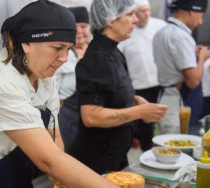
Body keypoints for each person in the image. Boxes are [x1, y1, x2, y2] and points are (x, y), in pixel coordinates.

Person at [0, 1, 167, 188]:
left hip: (10, 179)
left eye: (68, 48)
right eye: (57, 47)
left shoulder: (43, 74)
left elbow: (53, 135)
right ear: (26, 43)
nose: (64, 58)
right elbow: (48, 160)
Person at [68, 0, 168, 175]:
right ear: (111, 20)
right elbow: (91, 116)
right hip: (97, 161)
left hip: (116, 154)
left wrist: (135, 99)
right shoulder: (97, 59)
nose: (136, 20)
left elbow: (112, 92)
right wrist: (139, 111)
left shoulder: (114, 51)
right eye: (130, 14)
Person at [153, 0, 210, 134]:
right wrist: (202, 56)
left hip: (166, 96)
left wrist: (192, 53)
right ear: (192, 12)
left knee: (168, 144)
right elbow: (193, 82)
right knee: (177, 148)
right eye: (201, 16)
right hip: (178, 101)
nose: (201, 22)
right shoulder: (181, 37)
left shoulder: (162, 32)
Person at [118, 0, 166, 151]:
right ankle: (148, 151)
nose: (146, 15)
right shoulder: (126, 33)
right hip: (138, 86)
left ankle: (164, 149)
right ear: (134, 14)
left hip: (161, 83)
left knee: (164, 121)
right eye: (142, 11)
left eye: (148, 10)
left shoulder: (160, 26)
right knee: (145, 125)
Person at [56, 6, 91, 150]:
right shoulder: (59, 55)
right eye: (74, 27)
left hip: (94, 115)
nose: (79, 32)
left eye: (83, 26)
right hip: (67, 116)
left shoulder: (97, 50)